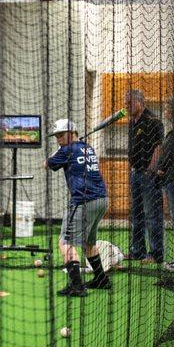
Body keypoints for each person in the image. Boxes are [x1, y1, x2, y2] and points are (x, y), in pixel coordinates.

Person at [45, 119, 111, 297]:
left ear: (71, 132)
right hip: (102, 200)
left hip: (84, 201)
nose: (58, 139)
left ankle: (76, 286)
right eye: (56, 136)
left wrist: (59, 152)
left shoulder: (66, 150)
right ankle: (101, 279)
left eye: (61, 135)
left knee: (64, 242)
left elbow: (48, 164)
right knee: (89, 242)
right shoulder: (87, 147)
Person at [125, 89, 165, 264]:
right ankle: (137, 251)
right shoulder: (133, 122)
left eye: (128, 103)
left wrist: (151, 170)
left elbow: (159, 147)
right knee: (136, 214)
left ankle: (156, 254)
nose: (126, 107)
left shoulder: (153, 121)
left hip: (148, 175)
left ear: (139, 102)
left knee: (151, 214)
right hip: (135, 173)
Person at [158, 97, 174, 271]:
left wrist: (158, 171)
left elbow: (166, 157)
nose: (165, 112)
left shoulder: (173, 134)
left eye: (166, 109)